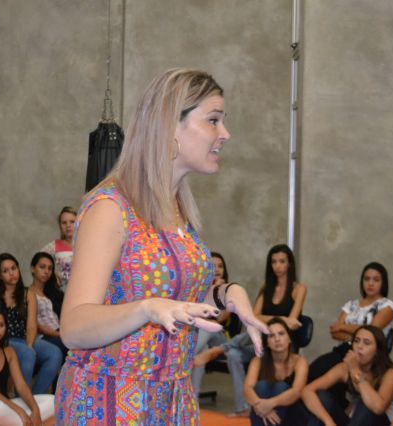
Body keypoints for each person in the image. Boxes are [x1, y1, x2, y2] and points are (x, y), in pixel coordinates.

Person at [55, 68, 268, 425]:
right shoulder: (111, 208)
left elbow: (175, 297)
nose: (225, 134)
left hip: (172, 399)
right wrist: (146, 309)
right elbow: (74, 327)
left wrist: (226, 294)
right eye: (213, 120)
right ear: (170, 125)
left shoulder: (178, 209)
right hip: (109, 403)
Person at [194, 243, 307, 417]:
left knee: (260, 330)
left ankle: (218, 349)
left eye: (282, 261)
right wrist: (279, 319)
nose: (277, 266)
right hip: (260, 342)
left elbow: (290, 322)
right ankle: (243, 408)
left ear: (289, 264)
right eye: (274, 262)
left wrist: (271, 320)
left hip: (281, 341)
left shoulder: (299, 289)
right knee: (234, 353)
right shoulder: (266, 288)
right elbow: (253, 316)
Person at [0, 253, 63, 394]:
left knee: (55, 353)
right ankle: (22, 398)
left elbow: (31, 325)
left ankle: (35, 397)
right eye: (6, 271)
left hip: (23, 339)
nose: (11, 273)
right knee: (27, 353)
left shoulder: (27, 293)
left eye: (14, 268)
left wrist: (29, 345)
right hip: (2, 340)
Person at [308, 262, 393, 383]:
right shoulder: (351, 304)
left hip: (370, 356)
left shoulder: (387, 305)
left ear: (383, 283)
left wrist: (343, 327)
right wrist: (355, 337)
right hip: (344, 350)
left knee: (327, 377)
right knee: (312, 372)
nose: (370, 283)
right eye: (367, 279)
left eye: (376, 280)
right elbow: (335, 332)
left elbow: (371, 330)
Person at [301, 325, 393, 426]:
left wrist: (355, 371)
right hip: (352, 421)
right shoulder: (344, 368)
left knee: (366, 404)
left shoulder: (390, 373)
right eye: (356, 341)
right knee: (321, 396)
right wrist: (328, 421)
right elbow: (307, 391)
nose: (359, 346)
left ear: (377, 351)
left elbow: (378, 407)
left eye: (366, 343)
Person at [244, 317, 308, 426]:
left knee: (281, 387)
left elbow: (296, 392)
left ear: (289, 338)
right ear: (267, 342)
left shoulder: (300, 361)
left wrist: (270, 404)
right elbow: (247, 389)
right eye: (271, 336)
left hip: (292, 415)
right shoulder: (257, 360)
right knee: (262, 386)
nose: (277, 339)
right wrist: (261, 406)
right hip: (263, 413)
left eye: (281, 334)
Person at [192, 251, 234, 395]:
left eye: (220, 266)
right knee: (202, 350)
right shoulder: (199, 290)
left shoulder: (229, 291)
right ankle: (194, 396)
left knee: (207, 328)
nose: (217, 269)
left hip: (220, 339)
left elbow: (220, 317)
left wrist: (217, 291)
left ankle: (185, 357)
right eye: (213, 266)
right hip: (201, 339)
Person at [29, 252, 66, 354]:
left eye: (50, 268)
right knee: (72, 344)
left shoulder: (52, 293)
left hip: (60, 332)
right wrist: (60, 335)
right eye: (42, 267)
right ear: (32, 269)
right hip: (44, 337)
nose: (46, 271)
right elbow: (36, 325)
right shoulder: (27, 293)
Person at [41, 206, 77, 291]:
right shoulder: (55, 245)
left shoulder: (86, 244)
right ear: (60, 226)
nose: (68, 225)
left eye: (72, 222)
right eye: (64, 223)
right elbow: (39, 260)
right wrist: (52, 275)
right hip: (63, 290)